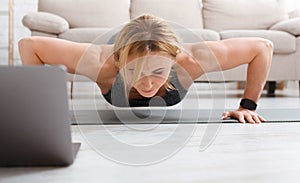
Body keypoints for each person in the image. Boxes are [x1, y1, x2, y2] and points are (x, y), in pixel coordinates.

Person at [18, 14, 273, 124]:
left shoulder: (192, 60)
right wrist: (41, 111)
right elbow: (29, 45)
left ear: (174, 60)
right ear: (118, 63)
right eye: (135, 73)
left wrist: (247, 106)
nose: (148, 84)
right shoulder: (99, 62)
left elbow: (262, 47)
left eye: (158, 72)